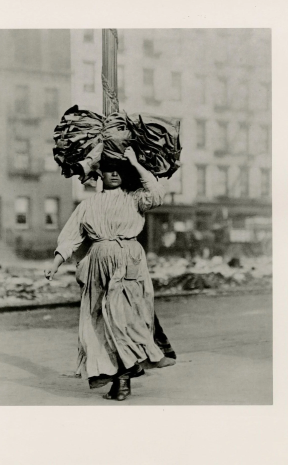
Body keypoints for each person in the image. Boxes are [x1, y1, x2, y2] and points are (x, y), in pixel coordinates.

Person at [45, 146, 175, 401]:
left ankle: (123, 380)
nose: (114, 174)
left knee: (122, 320)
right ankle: (122, 372)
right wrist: (56, 263)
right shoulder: (87, 205)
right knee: (100, 324)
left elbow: (158, 195)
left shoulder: (134, 198)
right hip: (97, 267)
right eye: (108, 170)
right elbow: (71, 236)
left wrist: (136, 162)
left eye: (118, 170)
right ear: (99, 175)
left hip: (129, 264)